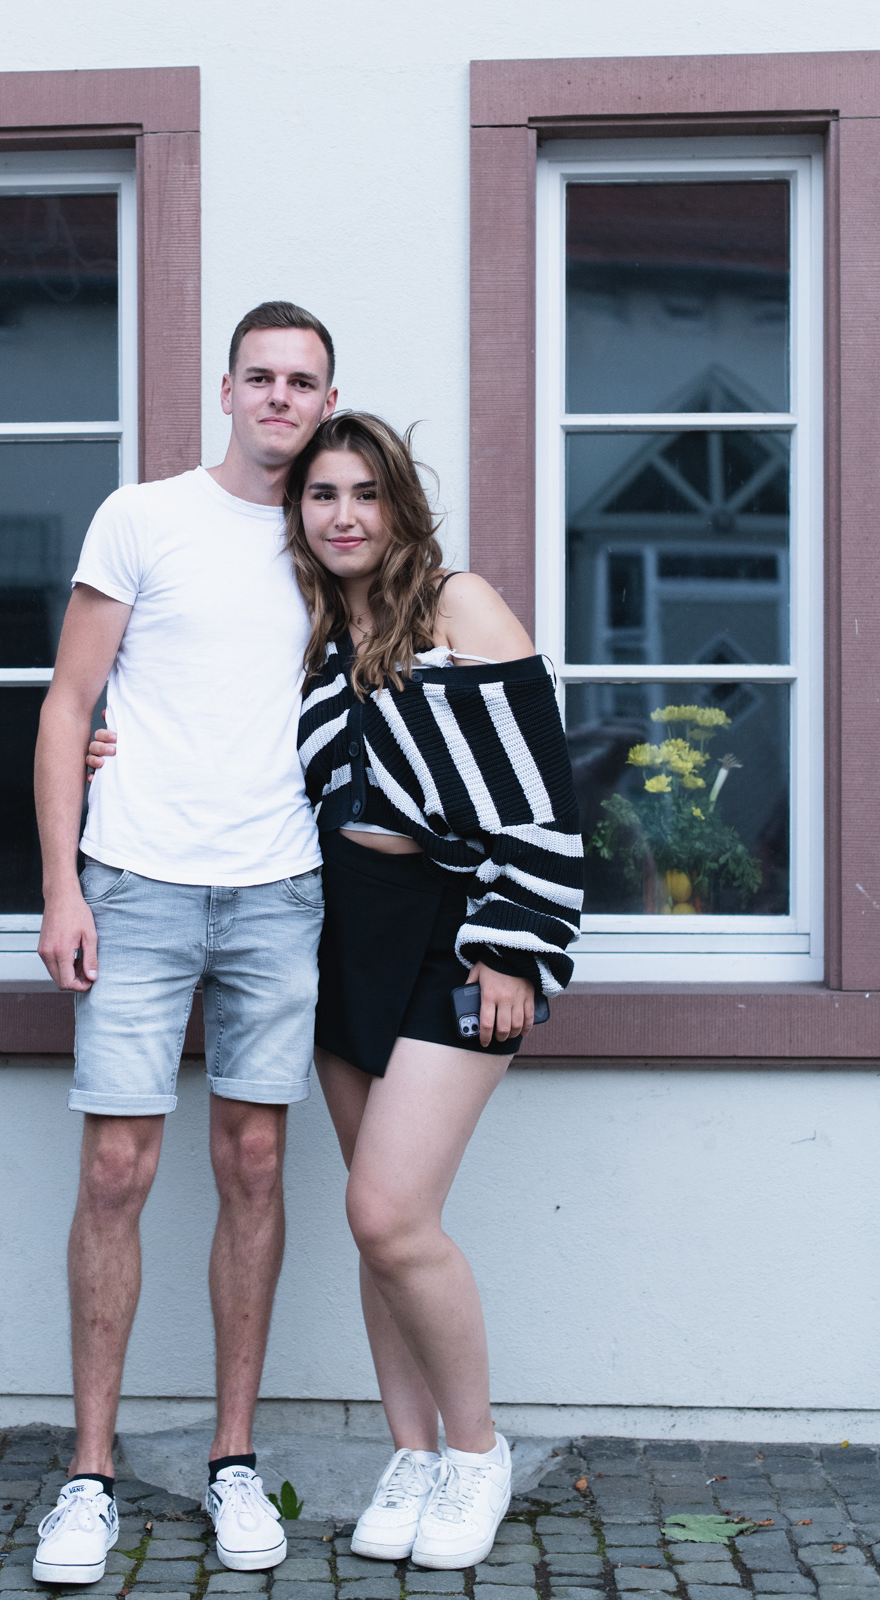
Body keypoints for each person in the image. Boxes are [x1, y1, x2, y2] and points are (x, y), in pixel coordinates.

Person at [88, 411, 583, 1569]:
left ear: (398, 503)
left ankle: (474, 1451)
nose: (344, 514)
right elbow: (209, 722)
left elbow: (540, 787)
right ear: (297, 511)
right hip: (339, 934)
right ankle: (409, 1454)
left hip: (458, 934)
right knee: (375, 1221)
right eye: (322, 495)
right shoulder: (309, 631)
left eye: (365, 492)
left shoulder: (458, 604)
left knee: (388, 1212)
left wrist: (513, 945)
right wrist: (114, 746)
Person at [30, 302, 337, 1585]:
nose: (278, 397)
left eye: (301, 382)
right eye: (259, 376)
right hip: (138, 882)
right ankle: (89, 1475)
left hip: (280, 888)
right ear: (224, 390)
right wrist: (62, 885)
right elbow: (69, 702)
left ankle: (232, 1460)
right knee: (116, 1169)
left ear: (326, 401)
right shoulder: (143, 515)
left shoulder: (340, 533)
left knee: (254, 1161)